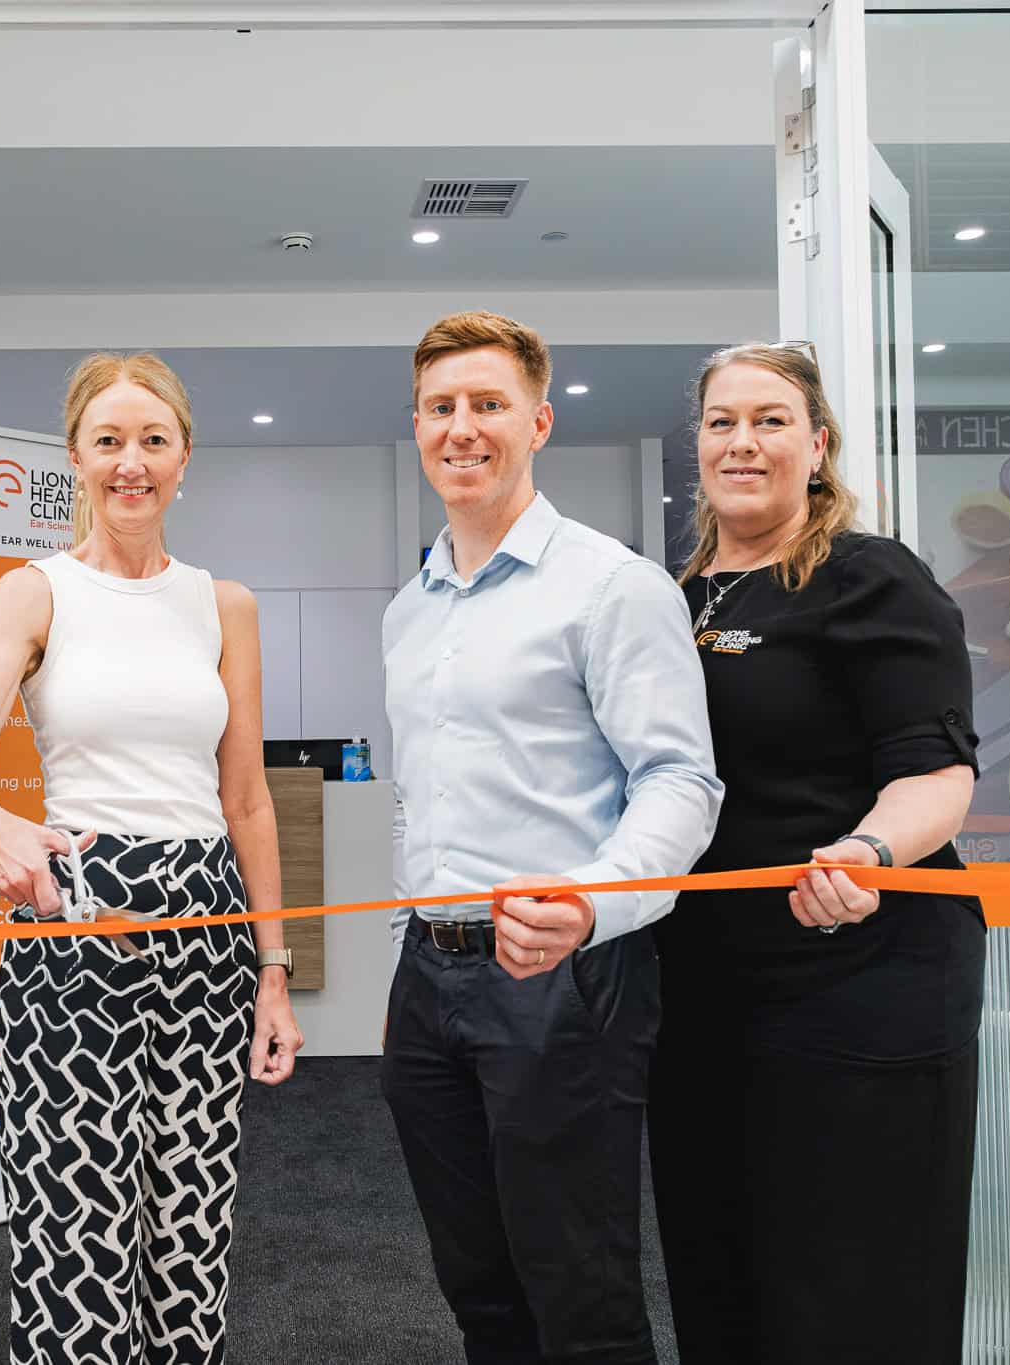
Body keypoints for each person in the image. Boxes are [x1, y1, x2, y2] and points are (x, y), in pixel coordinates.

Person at [0, 352, 304, 1365]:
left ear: (184, 459)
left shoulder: (225, 604)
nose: (131, 463)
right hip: (74, 921)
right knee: (71, 1225)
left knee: (191, 1225)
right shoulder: (32, 592)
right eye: (108, 442)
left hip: (207, 921)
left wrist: (273, 969)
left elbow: (248, 800)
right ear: (75, 458)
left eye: (153, 441)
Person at [381, 310, 724, 1365]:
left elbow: (679, 780)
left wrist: (591, 902)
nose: (461, 428)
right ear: (418, 425)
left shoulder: (609, 585)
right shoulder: (410, 608)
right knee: (475, 1286)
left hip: (564, 976)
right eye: (440, 408)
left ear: (536, 422)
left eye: (486, 405)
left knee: (575, 1293)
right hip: (426, 979)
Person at [648, 342, 982, 1365]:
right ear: (696, 445)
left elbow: (937, 772)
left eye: (769, 420)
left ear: (817, 444)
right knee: (719, 1266)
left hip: (856, 975)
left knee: (849, 1283)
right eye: (720, 423)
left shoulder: (865, 577)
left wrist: (866, 851)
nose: (741, 442)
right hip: (703, 985)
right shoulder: (679, 590)